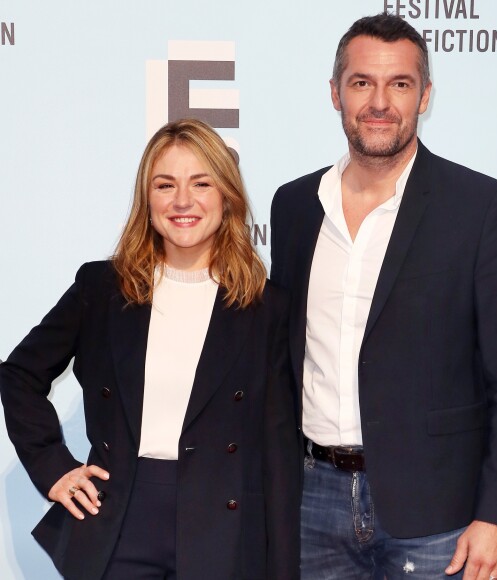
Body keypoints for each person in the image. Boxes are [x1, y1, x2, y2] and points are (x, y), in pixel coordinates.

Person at [270, 13, 497, 580]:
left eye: (400, 84)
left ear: (425, 96)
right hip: (311, 501)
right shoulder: (293, 206)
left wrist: (495, 516)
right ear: (335, 93)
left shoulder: (481, 208)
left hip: (439, 508)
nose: (379, 103)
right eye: (362, 82)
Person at [0, 118, 301, 580]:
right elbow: (19, 374)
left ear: (226, 196)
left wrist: (282, 567)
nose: (183, 201)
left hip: (227, 531)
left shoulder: (266, 308)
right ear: (148, 200)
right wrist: (54, 467)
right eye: (166, 185)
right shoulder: (100, 289)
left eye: (201, 183)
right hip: (120, 523)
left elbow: (280, 452)